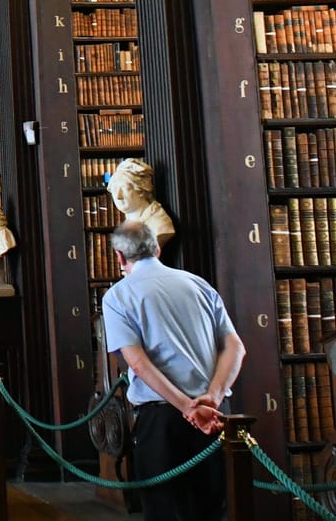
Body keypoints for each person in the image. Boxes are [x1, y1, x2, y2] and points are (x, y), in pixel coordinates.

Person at [102, 220, 246, 521]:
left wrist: (187, 407)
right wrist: (212, 397)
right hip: (215, 415)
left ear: (119, 256)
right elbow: (235, 348)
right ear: (157, 248)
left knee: (165, 510)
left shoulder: (118, 296)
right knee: (211, 509)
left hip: (162, 419)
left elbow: (138, 363)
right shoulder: (198, 284)